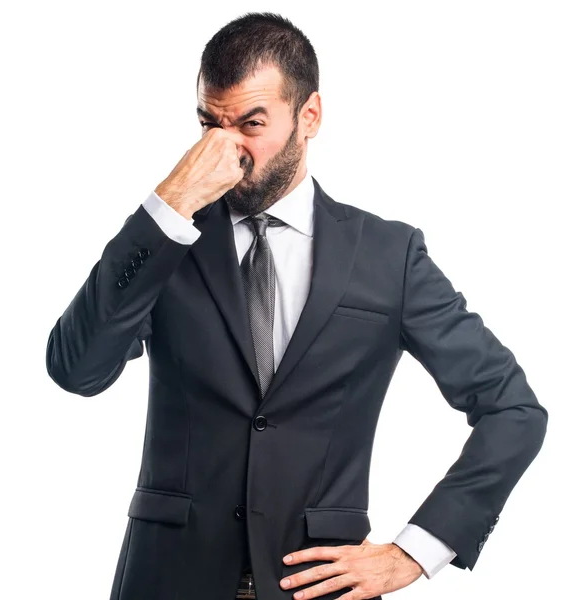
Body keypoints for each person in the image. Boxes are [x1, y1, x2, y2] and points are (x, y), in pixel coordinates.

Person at [45, 12, 548, 600]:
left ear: (309, 116)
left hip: (319, 586)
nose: (226, 147)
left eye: (251, 123)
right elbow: (77, 369)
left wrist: (416, 552)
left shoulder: (389, 254)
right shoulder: (167, 240)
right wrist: (171, 201)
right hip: (167, 579)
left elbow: (513, 409)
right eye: (210, 123)